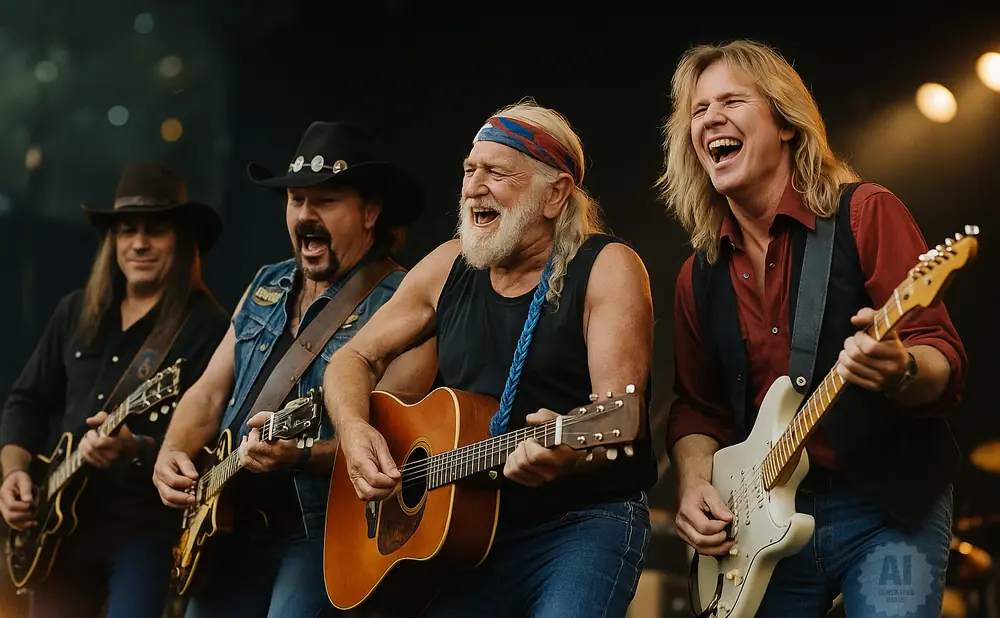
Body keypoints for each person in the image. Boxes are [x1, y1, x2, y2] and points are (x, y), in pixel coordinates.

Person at [659, 40, 968, 617]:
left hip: (885, 507)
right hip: (761, 526)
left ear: (785, 123)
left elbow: (940, 356)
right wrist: (695, 481)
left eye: (732, 101)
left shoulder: (866, 212)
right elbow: (697, 409)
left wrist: (901, 369)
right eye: (699, 110)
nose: (711, 119)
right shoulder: (696, 277)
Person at [323, 100, 658, 618]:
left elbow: (620, 417)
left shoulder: (607, 268)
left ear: (555, 194)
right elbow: (353, 358)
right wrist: (353, 429)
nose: (473, 187)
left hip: (582, 523)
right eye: (469, 170)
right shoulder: (447, 266)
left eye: (496, 173)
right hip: (470, 534)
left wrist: (567, 453)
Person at [152, 120, 438, 618]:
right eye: (296, 199)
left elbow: (395, 442)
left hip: (321, 532)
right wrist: (172, 450)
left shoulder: (404, 303)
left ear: (370, 213)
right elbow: (209, 392)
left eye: (325, 201)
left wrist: (301, 456)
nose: (306, 214)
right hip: (228, 523)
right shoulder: (266, 282)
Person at [0, 163, 230, 618]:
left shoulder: (208, 328)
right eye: (127, 230)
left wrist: (136, 448)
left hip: (143, 530)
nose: (139, 243)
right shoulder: (76, 311)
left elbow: (213, 446)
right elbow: (27, 401)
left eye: (155, 230)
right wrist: (13, 473)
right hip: (58, 531)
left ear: (182, 240)